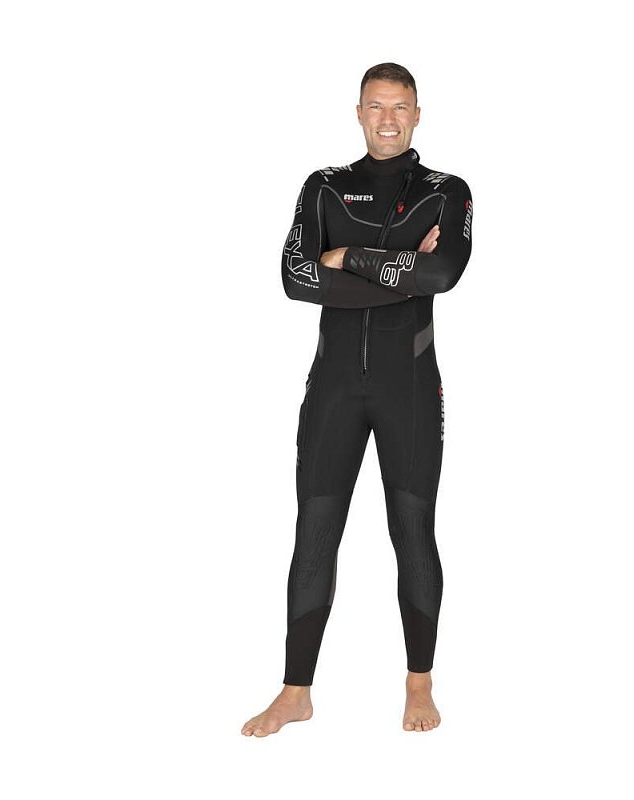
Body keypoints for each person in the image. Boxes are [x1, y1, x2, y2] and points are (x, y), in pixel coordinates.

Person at [242, 63, 473, 736]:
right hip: (334, 388)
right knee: (314, 532)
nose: (388, 119)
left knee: (413, 531)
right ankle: (295, 692)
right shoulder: (324, 187)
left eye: (400, 106)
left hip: (409, 386)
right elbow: (295, 278)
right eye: (376, 106)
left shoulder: (446, 191)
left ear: (418, 113)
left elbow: (443, 272)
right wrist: (400, 269)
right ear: (359, 112)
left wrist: (345, 257)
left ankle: (419, 684)